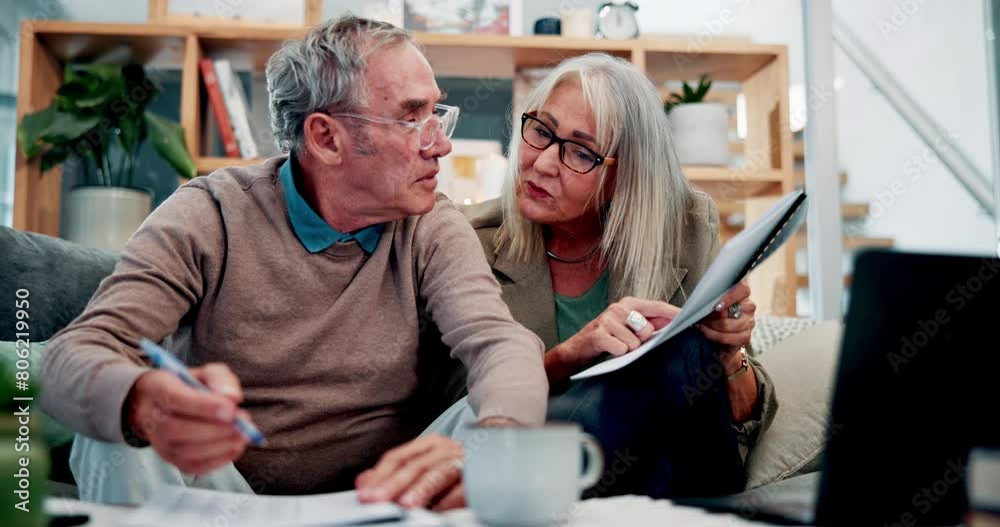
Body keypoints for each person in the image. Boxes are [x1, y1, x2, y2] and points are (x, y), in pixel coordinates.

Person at [39, 15, 548, 503]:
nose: (440, 144)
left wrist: (493, 444)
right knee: (117, 430)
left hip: (383, 497)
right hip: (224, 497)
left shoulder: (430, 225)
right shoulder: (210, 212)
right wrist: (141, 402)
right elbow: (74, 354)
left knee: (488, 425)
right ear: (326, 138)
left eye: (437, 113)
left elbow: (499, 345)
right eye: (411, 118)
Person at [355, 53, 779, 510]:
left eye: (580, 151)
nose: (541, 164)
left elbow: (736, 418)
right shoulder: (469, 239)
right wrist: (572, 354)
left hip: (660, 468)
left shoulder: (685, 231)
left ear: (624, 177)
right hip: (534, 460)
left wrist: (727, 352)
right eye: (540, 131)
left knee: (681, 350)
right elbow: (461, 405)